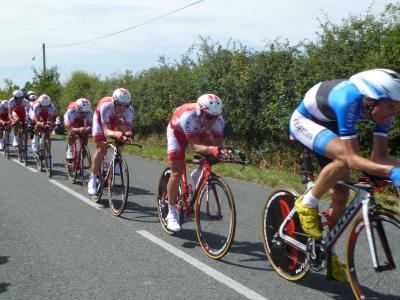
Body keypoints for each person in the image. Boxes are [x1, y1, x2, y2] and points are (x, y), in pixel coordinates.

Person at [289, 68, 400, 281]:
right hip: (305, 121)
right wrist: (391, 171)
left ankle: (328, 253)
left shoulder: (384, 106)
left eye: (397, 109)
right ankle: (307, 203)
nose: (392, 114)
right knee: (343, 160)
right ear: (371, 99)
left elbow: (380, 157)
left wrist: (391, 168)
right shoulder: (347, 98)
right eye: (389, 107)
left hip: (332, 126)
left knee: (341, 194)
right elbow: (351, 158)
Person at [165, 93, 225, 232]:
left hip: (199, 130)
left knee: (210, 150)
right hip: (177, 132)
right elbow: (195, 147)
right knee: (177, 172)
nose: (212, 121)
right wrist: (212, 149)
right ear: (199, 112)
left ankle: (199, 172)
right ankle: (171, 212)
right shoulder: (189, 116)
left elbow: (215, 145)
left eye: (215, 117)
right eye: (208, 117)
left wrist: (219, 151)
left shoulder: (219, 121)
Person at [87, 88, 134, 196]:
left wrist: (127, 134)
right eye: (119, 105)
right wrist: (117, 134)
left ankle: (117, 158)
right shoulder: (106, 106)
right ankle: (92, 179)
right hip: (101, 121)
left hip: (116, 120)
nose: (122, 108)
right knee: (101, 148)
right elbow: (107, 132)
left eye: (125, 105)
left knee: (123, 136)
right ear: (114, 101)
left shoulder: (130, 110)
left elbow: (128, 129)